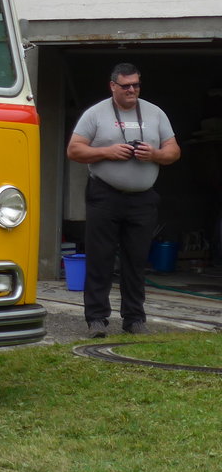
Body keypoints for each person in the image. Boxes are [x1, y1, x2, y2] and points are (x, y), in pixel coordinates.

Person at [66, 63, 180, 337]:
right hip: (105, 195)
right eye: (126, 85)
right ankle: (96, 319)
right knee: (100, 259)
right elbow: (74, 150)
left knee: (136, 260)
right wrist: (107, 152)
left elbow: (173, 151)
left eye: (136, 85)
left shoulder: (155, 113)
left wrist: (154, 154)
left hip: (142, 199)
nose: (132, 90)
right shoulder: (95, 114)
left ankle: (134, 319)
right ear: (113, 86)